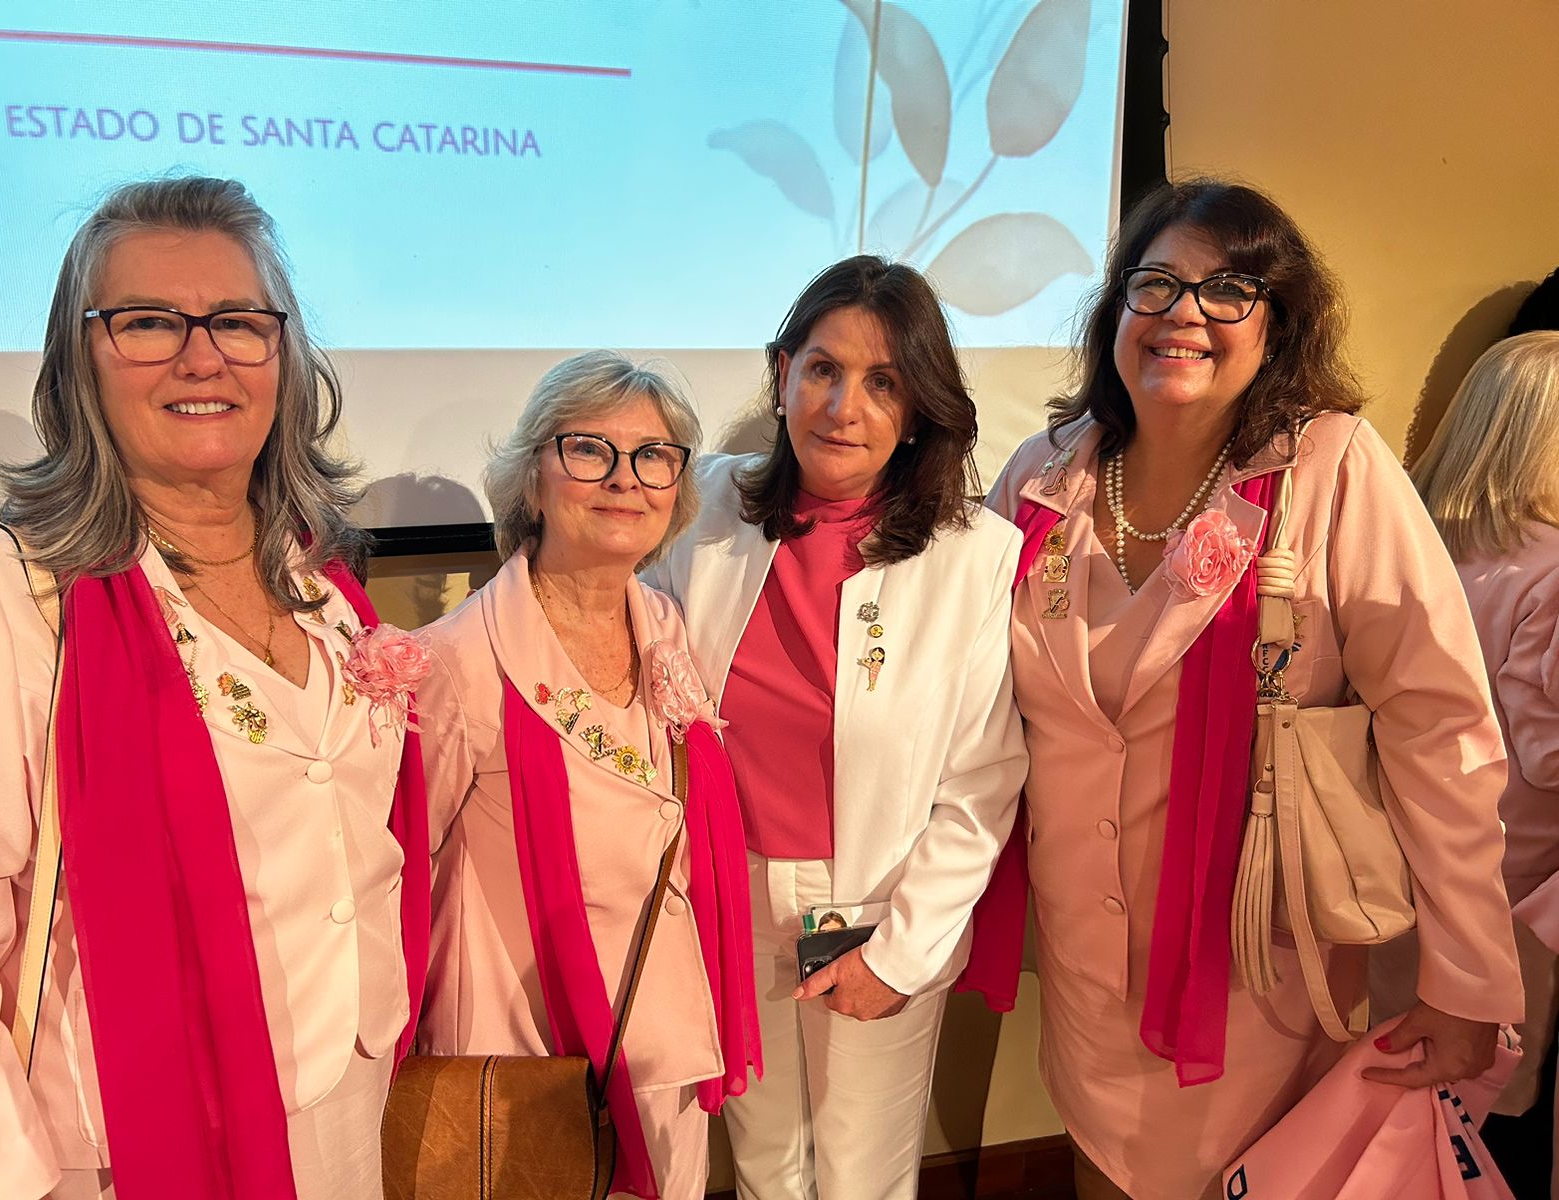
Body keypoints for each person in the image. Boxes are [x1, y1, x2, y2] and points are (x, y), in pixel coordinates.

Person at [983, 178, 1524, 1200]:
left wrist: (1467, 980)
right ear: (1115, 312)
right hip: (1086, 962)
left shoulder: (1331, 470)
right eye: (1157, 285)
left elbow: (1439, 731)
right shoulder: (1040, 476)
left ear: (1276, 327)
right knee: (1105, 1171)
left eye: (1229, 290)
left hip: (1260, 970)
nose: (1184, 314)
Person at [0, 176, 430, 1200]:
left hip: (346, 1112)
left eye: (237, 322)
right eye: (147, 322)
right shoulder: (2, 592)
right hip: (118, 1152)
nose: (202, 354)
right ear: (79, 359)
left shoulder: (323, 588)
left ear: (283, 353)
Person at [643, 255, 1028, 1200]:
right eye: (822, 369)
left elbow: (981, 786)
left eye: (882, 382)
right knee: (767, 1162)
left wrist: (900, 952)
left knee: (862, 1175)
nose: (842, 407)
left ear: (919, 408)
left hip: (873, 911)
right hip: (727, 902)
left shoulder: (973, 556)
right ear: (782, 375)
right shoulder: (705, 508)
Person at [414, 351, 760, 1200]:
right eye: (589, 450)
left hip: (661, 1038)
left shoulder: (668, 629)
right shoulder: (456, 663)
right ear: (532, 476)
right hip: (525, 1058)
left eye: (653, 457)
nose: (624, 480)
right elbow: (403, 878)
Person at [1414, 330, 1559, 1199]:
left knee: (1422, 1102)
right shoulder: (1554, 569)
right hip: (1515, 890)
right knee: (1502, 1118)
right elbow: (1546, 754)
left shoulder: (1423, 540)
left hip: (1415, 869)